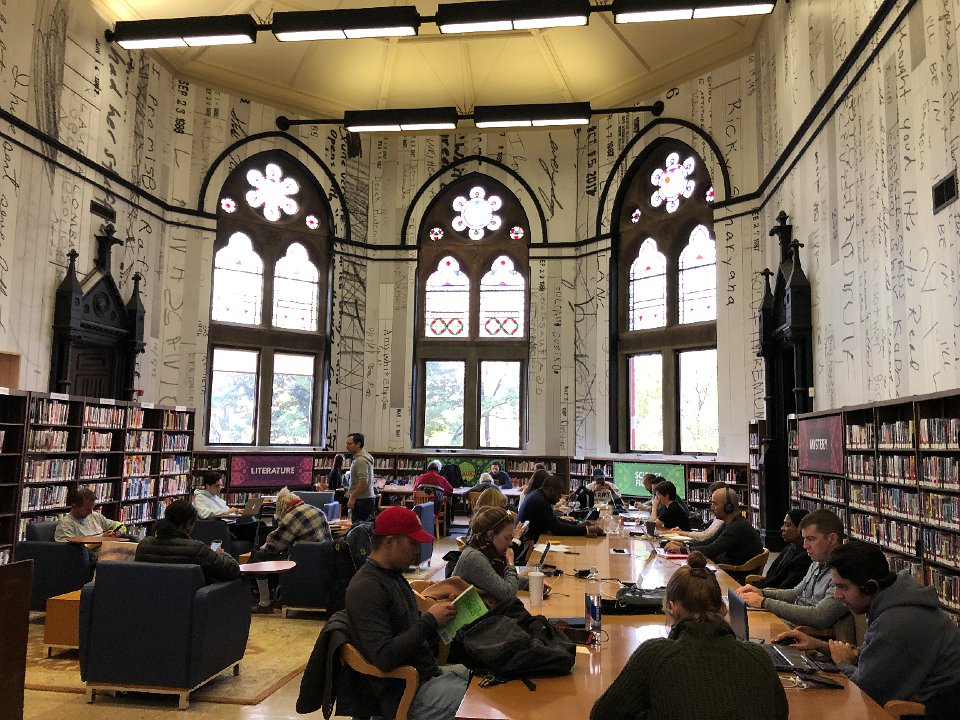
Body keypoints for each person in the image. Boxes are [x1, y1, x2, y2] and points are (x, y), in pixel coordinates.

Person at [590, 550, 787, 720]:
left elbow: (601, 715)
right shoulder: (758, 656)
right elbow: (780, 714)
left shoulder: (654, 655)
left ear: (672, 608)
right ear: (723, 608)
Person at [773, 542, 960, 718]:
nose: (837, 595)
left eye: (843, 587)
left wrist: (842, 663)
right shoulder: (895, 603)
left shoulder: (896, 622)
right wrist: (820, 646)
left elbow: (865, 692)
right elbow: (876, 656)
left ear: (870, 587)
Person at [345, 505, 470, 720]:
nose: (417, 550)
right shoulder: (366, 588)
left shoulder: (392, 576)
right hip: (406, 692)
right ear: (390, 541)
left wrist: (440, 615)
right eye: (412, 543)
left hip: (427, 676)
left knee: (494, 676)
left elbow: (407, 629)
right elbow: (384, 658)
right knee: (485, 699)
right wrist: (430, 620)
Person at [736, 509, 848, 633]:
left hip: (804, 633)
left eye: (810, 539)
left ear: (832, 539)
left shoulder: (843, 574)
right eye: (804, 539)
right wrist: (762, 593)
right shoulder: (817, 563)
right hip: (790, 624)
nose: (805, 545)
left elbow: (820, 616)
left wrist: (764, 602)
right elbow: (795, 593)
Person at [248, 487, 333, 613]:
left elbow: (273, 546)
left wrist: (261, 548)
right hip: (323, 559)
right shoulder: (316, 510)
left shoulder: (292, 516)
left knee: (259, 557)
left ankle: (264, 603)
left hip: (302, 561)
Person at [135, 499, 240, 584]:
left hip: (148, 599)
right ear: (189, 524)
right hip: (189, 600)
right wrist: (221, 554)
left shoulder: (144, 545)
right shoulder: (196, 549)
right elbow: (233, 569)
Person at [452, 506, 538, 604]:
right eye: (507, 538)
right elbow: (508, 594)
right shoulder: (474, 558)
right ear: (490, 535)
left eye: (511, 538)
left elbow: (500, 581)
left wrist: (531, 583)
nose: (510, 543)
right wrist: (510, 563)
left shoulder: (488, 553)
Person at [666, 486, 762, 569]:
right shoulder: (730, 523)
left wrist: (681, 549)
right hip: (726, 568)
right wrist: (683, 545)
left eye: (714, 504)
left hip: (734, 574)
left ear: (728, 507)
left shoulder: (736, 527)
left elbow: (711, 550)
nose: (711, 508)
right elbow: (709, 541)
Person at [517, 474, 599, 545]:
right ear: (551, 490)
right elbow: (557, 528)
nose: (560, 497)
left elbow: (553, 520)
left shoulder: (538, 495)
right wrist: (586, 530)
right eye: (559, 493)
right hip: (526, 545)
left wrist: (577, 524)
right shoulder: (540, 501)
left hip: (529, 539)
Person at [55, 488, 131, 561]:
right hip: (91, 556)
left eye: (92, 508)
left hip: (107, 549)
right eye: (87, 509)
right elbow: (72, 552)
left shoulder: (95, 516)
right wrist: (101, 540)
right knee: (125, 556)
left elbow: (120, 525)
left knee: (132, 551)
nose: (91, 512)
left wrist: (117, 533)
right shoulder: (66, 525)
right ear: (74, 507)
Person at [750, 509, 811, 590]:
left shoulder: (804, 559)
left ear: (800, 530)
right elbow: (771, 576)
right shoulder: (789, 549)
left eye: (787, 525)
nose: (782, 528)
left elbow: (785, 588)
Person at [345, 432, 377, 522]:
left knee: (359, 527)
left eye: (349, 444)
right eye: (347, 444)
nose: (347, 446)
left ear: (358, 444)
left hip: (362, 500)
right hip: (365, 499)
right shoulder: (362, 457)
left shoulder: (361, 460)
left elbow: (363, 481)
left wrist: (353, 497)